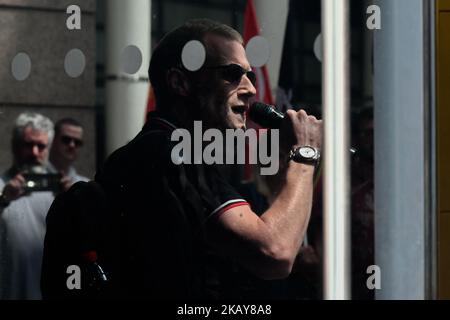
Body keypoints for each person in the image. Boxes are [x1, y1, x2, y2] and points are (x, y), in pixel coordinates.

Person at [94, 19, 322, 299]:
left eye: (249, 74)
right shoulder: (174, 155)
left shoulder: (150, 150)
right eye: (232, 73)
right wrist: (305, 154)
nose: (250, 88)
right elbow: (275, 253)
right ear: (180, 82)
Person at [0, 112, 55, 299]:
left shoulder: (60, 191)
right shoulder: (1, 186)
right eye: (28, 145)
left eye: (41, 146)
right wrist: (4, 198)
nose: (34, 152)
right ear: (15, 147)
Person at [48, 118, 89, 191]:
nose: (72, 145)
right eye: (66, 139)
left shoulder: (86, 187)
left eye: (77, 142)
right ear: (53, 140)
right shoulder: (32, 178)